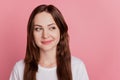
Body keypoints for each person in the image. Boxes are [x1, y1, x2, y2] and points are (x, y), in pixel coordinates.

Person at [9, 4, 89, 80]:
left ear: (61, 31)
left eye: (52, 28)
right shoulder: (20, 68)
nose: (45, 35)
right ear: (32, 34)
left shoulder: (77, 67)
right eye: (38, 29)